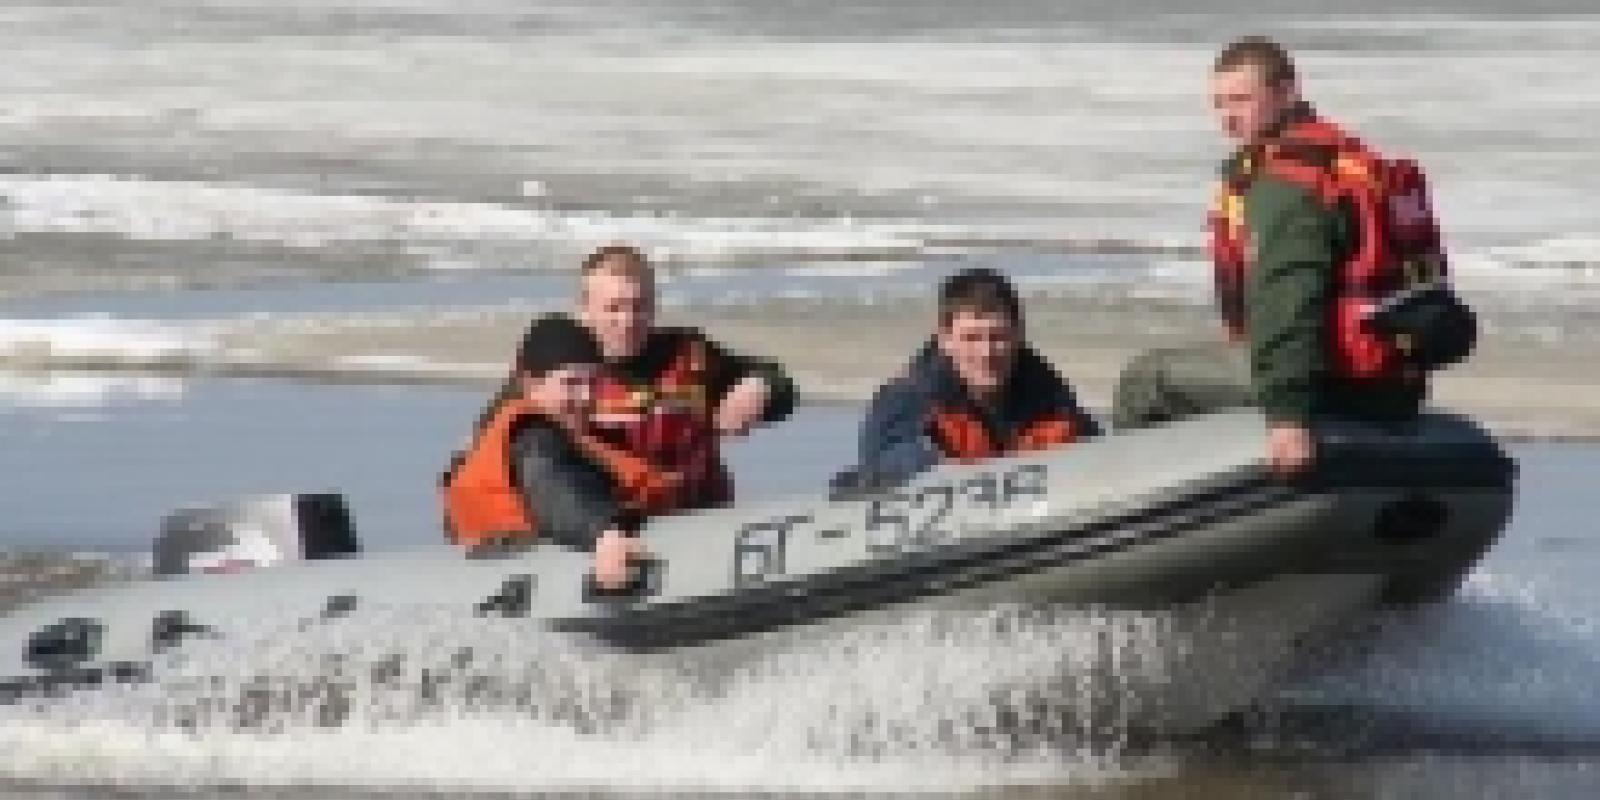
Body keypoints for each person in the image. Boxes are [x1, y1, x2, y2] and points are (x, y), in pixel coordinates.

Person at [1113, 36, 1473, 475]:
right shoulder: (1351, 162)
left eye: (1242, 100)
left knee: (1146, 380)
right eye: (1219, 104)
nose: (1228, 117)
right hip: (1394, 384)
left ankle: (1133, 501)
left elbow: (1287, 300)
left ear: (1287, 92)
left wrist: (1288, 415)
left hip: (1334, 380)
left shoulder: (1289, 185)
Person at [471, 243, 798, 510]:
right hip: (606, 526)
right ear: (584, 309)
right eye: (614, 308)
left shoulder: (689, 355)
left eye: (639, 307)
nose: (627, 321)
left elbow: (783, 389)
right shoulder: (553, 371)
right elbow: (492, 447)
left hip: (698, 521)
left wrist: (760, 388)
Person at [441, 314, 666, 587]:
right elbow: (551, 487)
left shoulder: (570, 434)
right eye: (571, 383)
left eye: (593, 383)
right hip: (536, 572)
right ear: (530, 383)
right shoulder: (532, 438)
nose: (585, 397)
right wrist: (603, 533)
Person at [848, 267, 1099, 491]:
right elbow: (877, 472)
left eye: (997, 337)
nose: (986, 352)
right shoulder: (908, 401)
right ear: (945, 339)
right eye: (972, 338)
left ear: (1018, 335)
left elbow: (1098, 459)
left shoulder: (1053, 399)